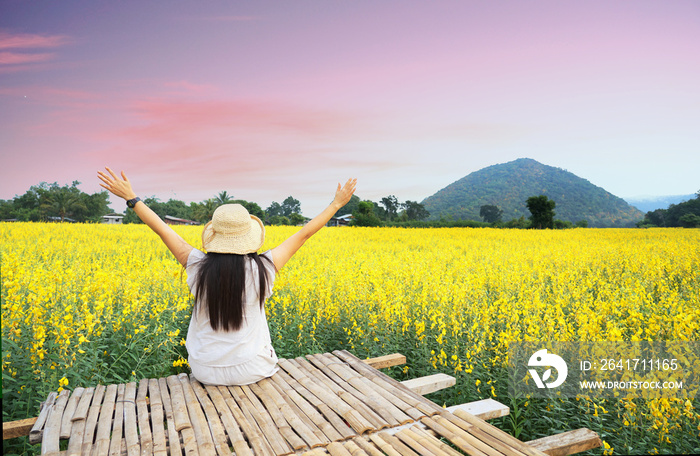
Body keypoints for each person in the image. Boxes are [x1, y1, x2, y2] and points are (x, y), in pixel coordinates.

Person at [98, 167, 357, 385]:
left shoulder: (197, 265)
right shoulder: (264, 266)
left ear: (215, 235)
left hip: (204, 371)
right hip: (252, 369)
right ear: (250, 236)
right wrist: (336, 203)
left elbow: (163, 230)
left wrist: (132, 198)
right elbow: (303, 234)